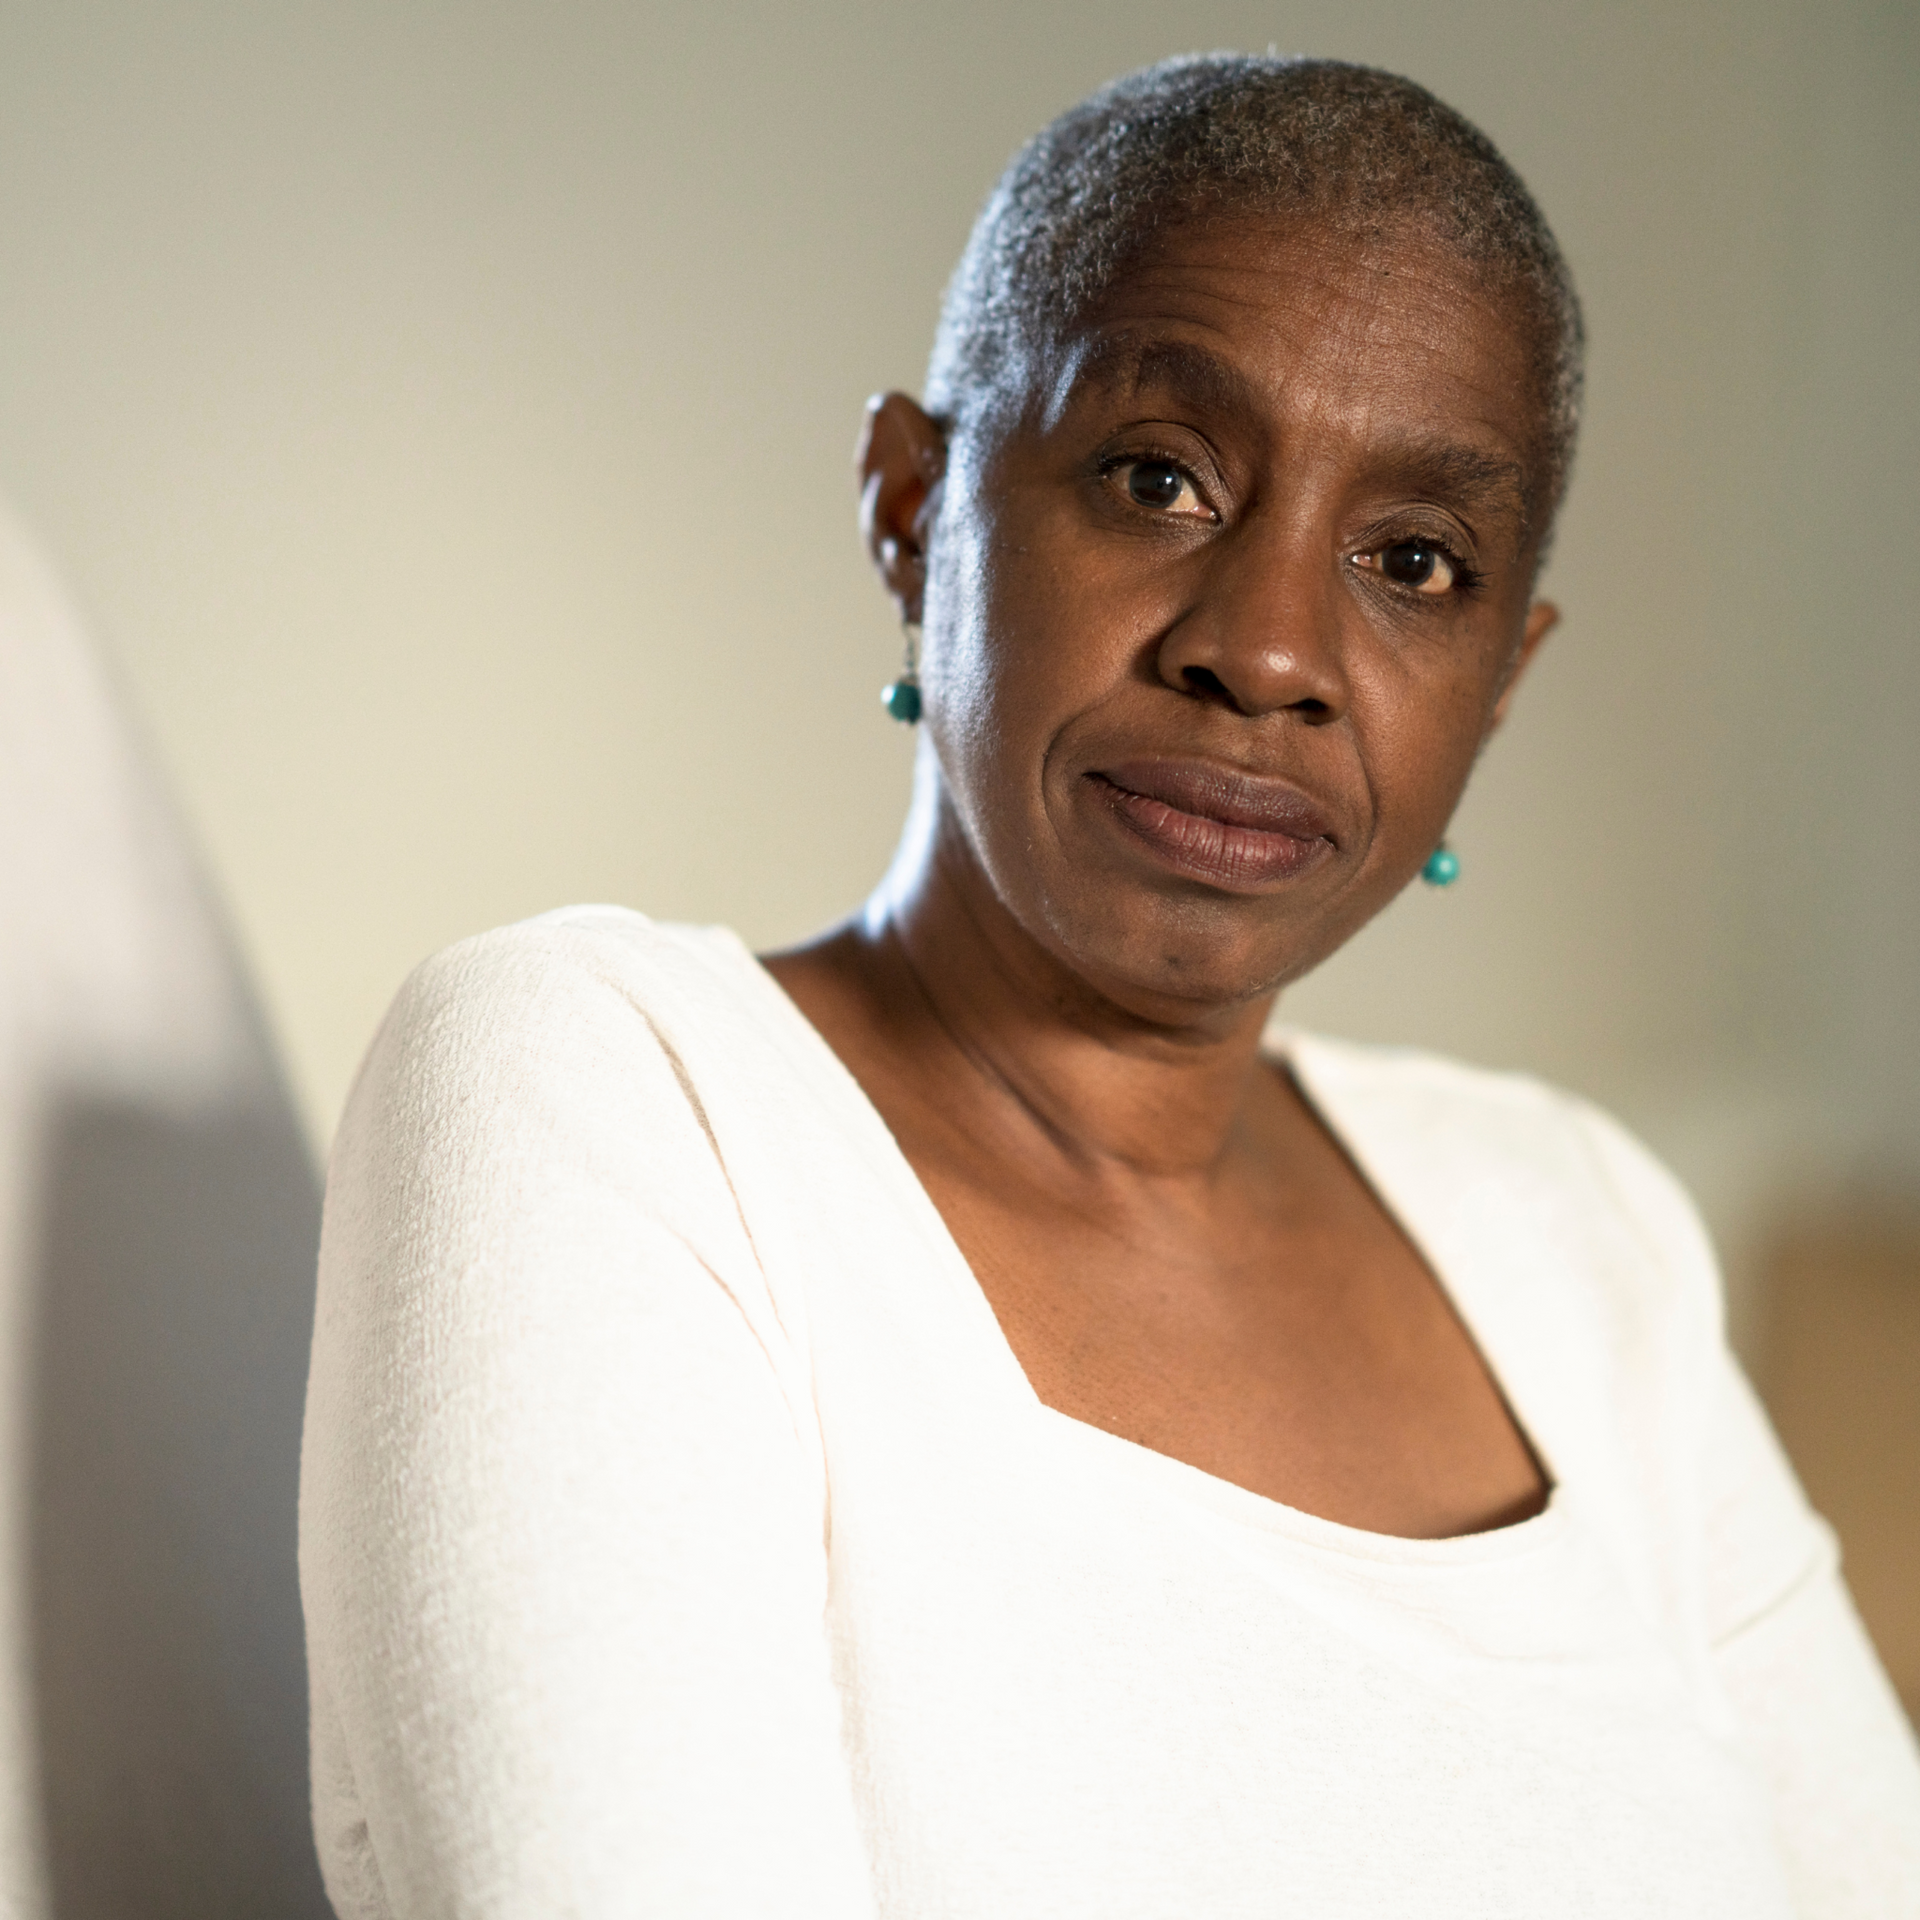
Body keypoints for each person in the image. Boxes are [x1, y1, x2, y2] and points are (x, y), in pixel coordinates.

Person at [298, 53, 1920, 1918]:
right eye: (1161, 478)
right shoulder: (617, 1093)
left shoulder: (1580, 1230)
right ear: (915, 509)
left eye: (1415, 562)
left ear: (1502, 680)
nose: (1272, 651)